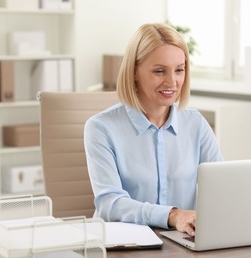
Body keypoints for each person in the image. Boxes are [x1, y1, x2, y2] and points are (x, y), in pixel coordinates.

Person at [84, 23, 223, 237]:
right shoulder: (101, 128)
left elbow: (221, 187)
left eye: (179, 70)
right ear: (134, 72)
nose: (172, 82)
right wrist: (172, 215)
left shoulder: (196, 124)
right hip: (123, 245)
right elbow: (110, 204)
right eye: (159, 71)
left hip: (181, 243)